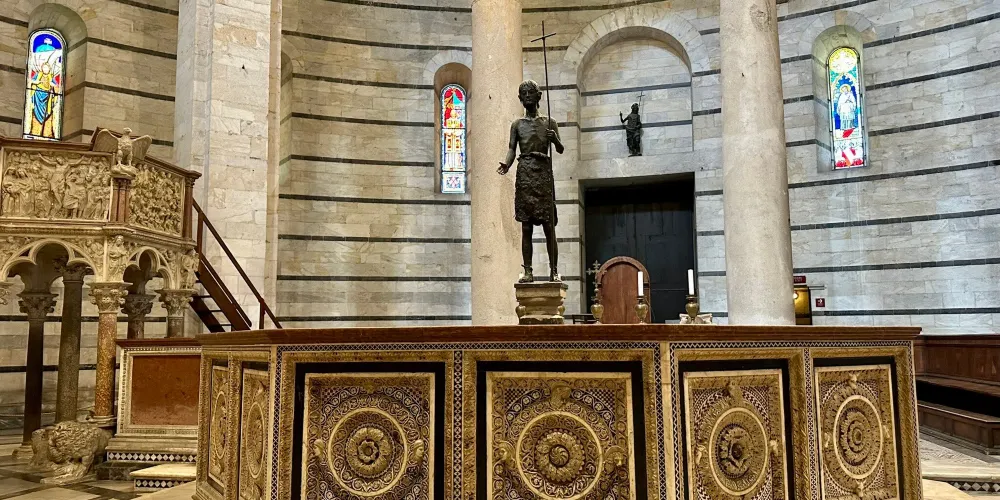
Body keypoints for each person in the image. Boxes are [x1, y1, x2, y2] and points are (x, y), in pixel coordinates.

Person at [497, 80, 564, 283]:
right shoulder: (517, 125)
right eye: (523, 93)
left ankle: (554, 271)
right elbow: (512, 148)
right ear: (520, 98)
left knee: (549, 226)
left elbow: (560, 149)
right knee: (526, 226)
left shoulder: (550, 122)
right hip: (525, 172)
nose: (527, 96)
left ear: (538, 96)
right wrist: (507, 164)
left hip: (543, 172)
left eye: (530, 92)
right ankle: (527, 271)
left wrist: (554, 139)